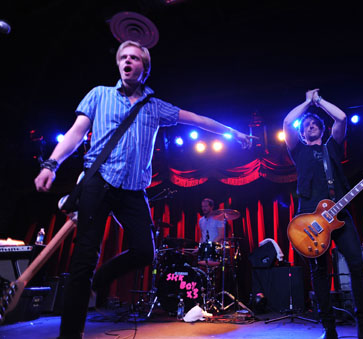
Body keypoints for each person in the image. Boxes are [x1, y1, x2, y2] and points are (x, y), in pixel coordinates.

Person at [34, 40, 255, 339]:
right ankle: (69, 335)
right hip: (98, 182)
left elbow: (199, 120)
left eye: (134, 58)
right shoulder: (99, 94)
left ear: (145, 69)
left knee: (145, 251)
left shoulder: (156, 107)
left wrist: (234, 132)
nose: (127, 61)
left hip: (133, 190)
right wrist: (51, 164)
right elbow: (75, 133)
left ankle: (102, 277)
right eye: (123, 57)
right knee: (83, 260)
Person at [283, 89, 363, 339]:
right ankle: (328, 328)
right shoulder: (298, 151)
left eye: (316, 123)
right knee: (320, 273)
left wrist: (319, 102)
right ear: (303, 134)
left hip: (341, 216)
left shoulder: (332, 148)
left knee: (357, 266)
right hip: (309, 220)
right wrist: (306, 103)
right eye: (307, 125)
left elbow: (341, 118)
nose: (312, 126)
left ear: (322, 129)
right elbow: (286, 123)